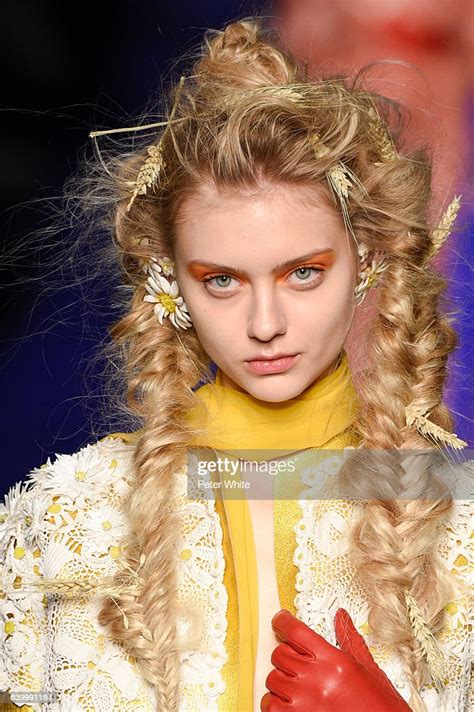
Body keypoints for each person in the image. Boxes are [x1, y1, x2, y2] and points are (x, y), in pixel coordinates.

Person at [0, 16, 472, 712]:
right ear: (170, 283)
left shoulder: (449, 510)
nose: (265, 325)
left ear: (367, 262)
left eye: (303, 274)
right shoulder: (72, 516)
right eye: (222, 279)